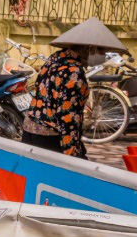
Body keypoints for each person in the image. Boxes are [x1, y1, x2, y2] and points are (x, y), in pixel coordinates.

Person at [20, 17, 117, 159]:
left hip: (30, 129)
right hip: (50, 137)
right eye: (101, 51)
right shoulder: (75, 73)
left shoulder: (55, 58)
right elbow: (68, 116)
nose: (103, 56)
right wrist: (72, 152)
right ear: (90, 48)